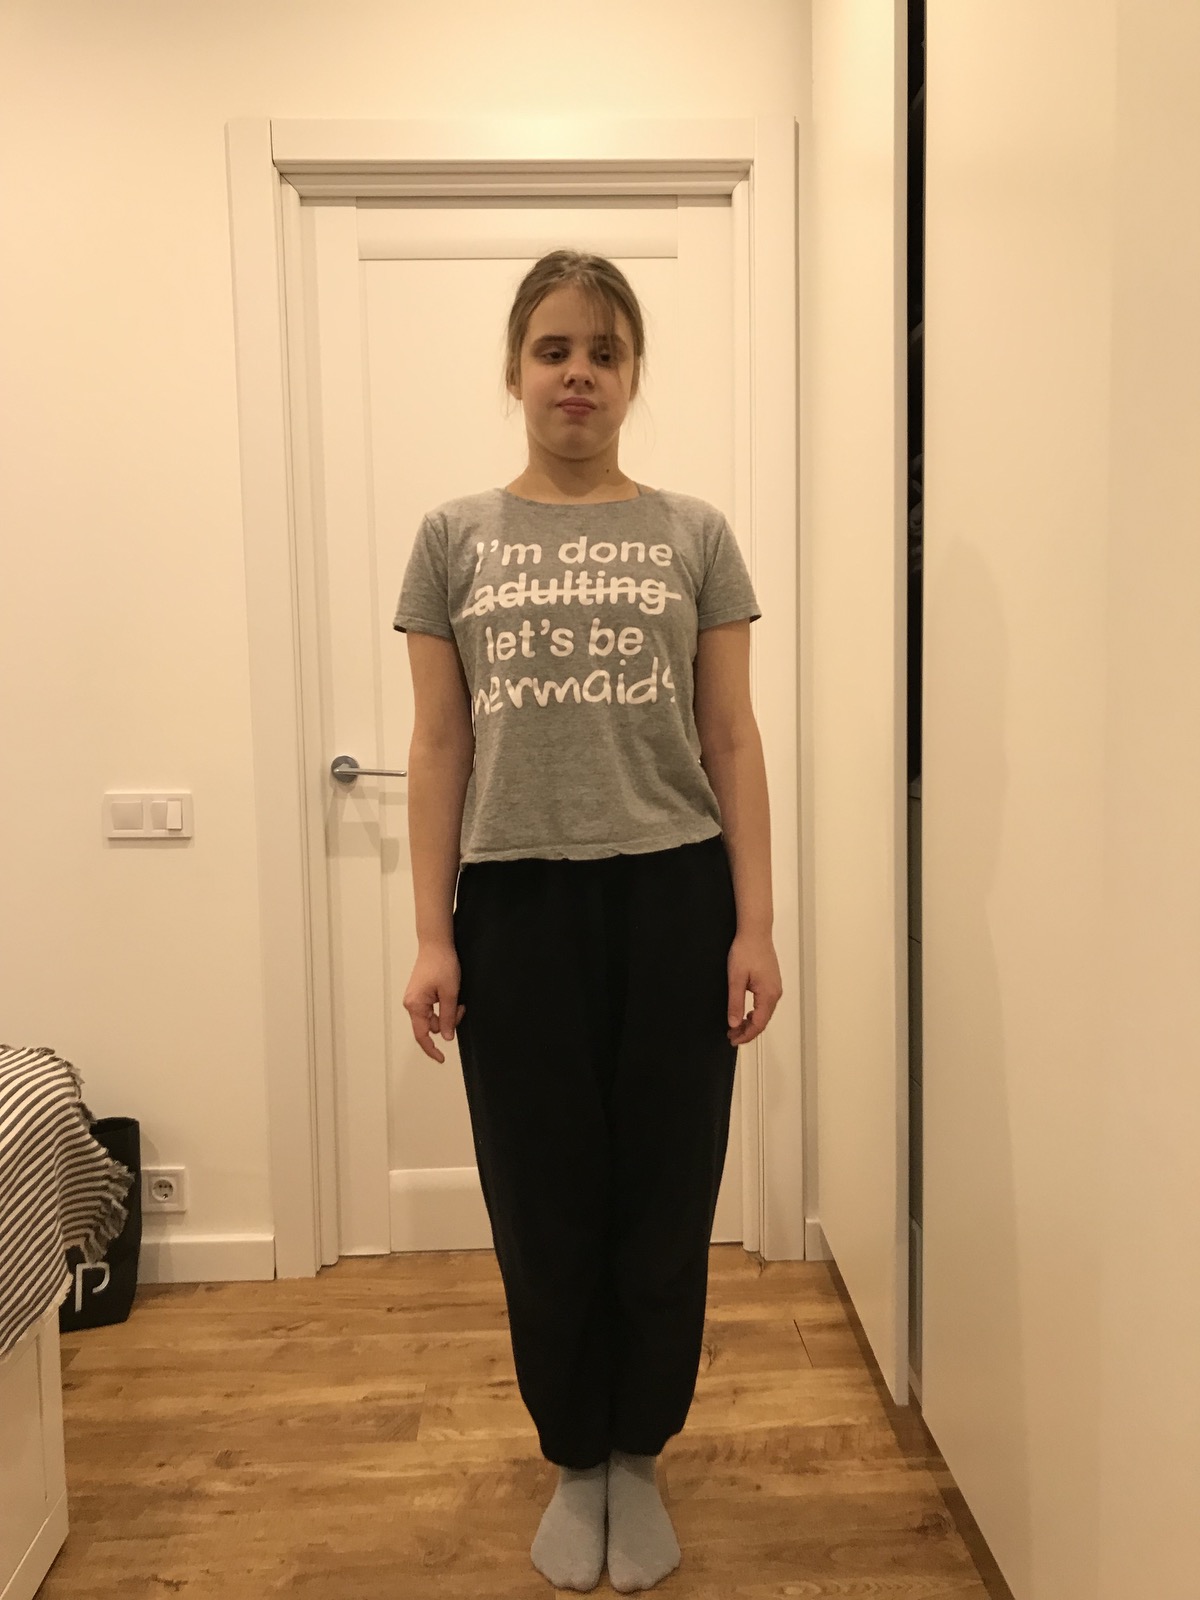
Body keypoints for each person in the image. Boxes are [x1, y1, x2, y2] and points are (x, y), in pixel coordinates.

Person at [393, 250, 782, 1593]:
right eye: (554, 349)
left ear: (632, 376)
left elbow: (731, 737)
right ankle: (576, 1455)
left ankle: (640, 1453)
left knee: (665, 1193)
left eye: (604, 352)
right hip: (515, 904)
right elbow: (438, 745)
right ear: (514, 369)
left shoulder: (695, 534)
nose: (578, 374)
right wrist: (433, 933)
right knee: (544, 1197)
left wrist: (754, 923)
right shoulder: (452, 538)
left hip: (674, 891)